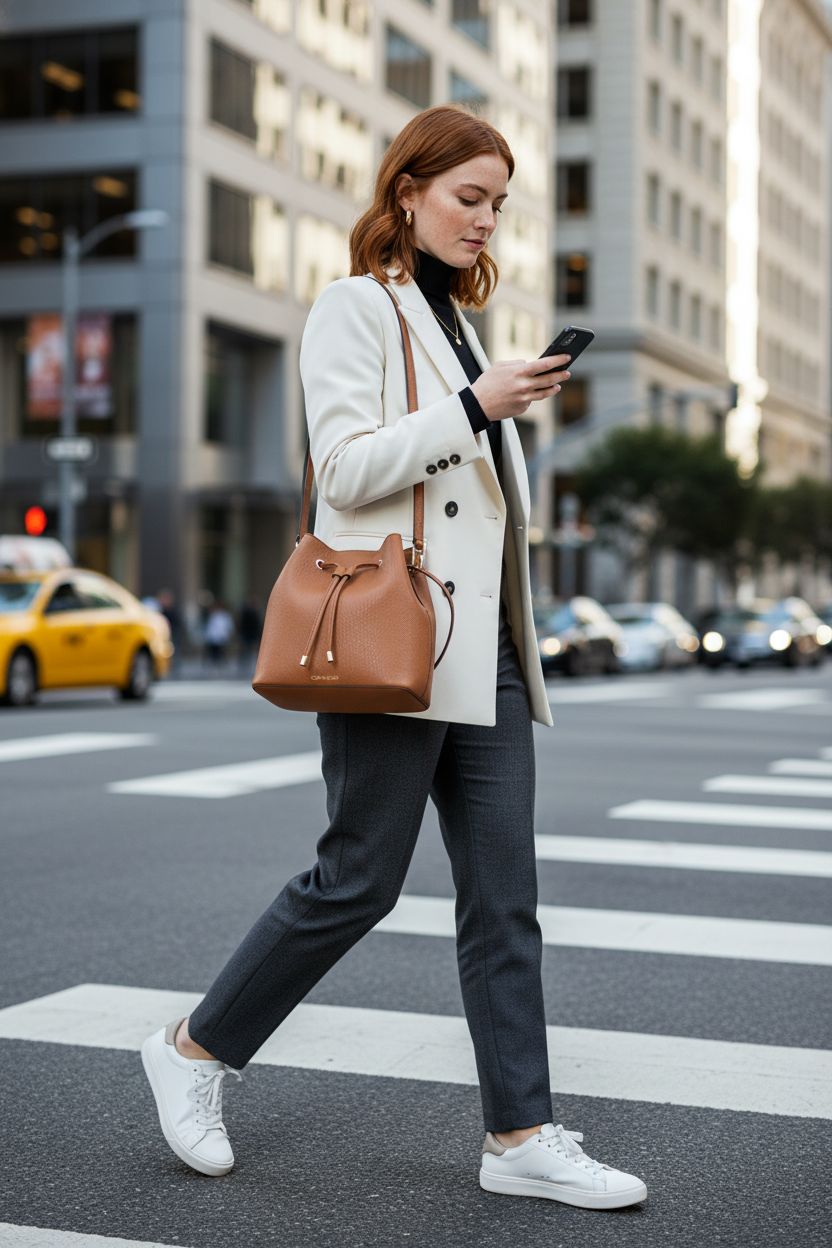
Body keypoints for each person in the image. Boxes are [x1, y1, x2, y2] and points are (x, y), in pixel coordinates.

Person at [141, 104, 648, 1212]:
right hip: (397, 644)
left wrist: (488, 396)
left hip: (490, 658)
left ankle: (520, 1134)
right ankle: (192, 1049)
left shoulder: (460, 324)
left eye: (498, 203)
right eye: (468, 197)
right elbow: (345, 471)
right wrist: (478, 405)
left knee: (504, 898)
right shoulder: (355, 308)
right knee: (357, 880)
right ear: (406, 192)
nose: (485, 220)